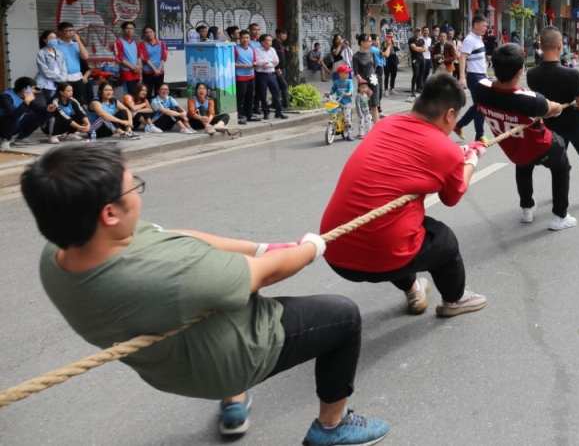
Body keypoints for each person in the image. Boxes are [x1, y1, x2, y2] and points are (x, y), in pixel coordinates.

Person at [25, 145, 389, 444]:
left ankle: (236, 399)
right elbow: (265, 273)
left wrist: (261, 246)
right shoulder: (169, 274)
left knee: (215, 296)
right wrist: (310, 248)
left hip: (170, 353)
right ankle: (331, 426)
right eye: (132, 187)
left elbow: (174, 236)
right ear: (109, 213)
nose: (137, 193)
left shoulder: (62, 251)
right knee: (342, 316)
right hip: (223, 361)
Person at [320, 73, 488, 317]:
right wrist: (471, 161)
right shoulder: (447, 151)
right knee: (444, 240)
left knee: (401, 224)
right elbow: (452, 197)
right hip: (383, 257)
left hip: (334, 249)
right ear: (449, 115)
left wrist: (455, 155)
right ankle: (456, 299)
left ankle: (413, 291)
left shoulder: (386, 124)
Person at [476, 44, 576, 230]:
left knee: (523, 164)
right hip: (541, 147)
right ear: (519, 72)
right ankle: (560, 216)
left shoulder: (481, 88)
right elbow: (555, 109)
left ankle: (527, 208)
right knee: (562, 167)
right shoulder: (530, 100)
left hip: (514, 148)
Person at [527, 27, 579, 204]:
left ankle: (559, 190)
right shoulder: (571, 74)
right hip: (576, 124)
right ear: (560, 45)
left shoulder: (531, 74)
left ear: (541, 45)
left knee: (559, 163)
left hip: (551, 125)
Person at [455, 14, 489, 142]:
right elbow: (463, 58)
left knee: (480, 105)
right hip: (474, 76)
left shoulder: (478, 38)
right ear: (476, 25)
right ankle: (479, 134)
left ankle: (459, 125)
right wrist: (462, 77)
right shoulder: (469, 39)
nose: (486, 28)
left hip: (481, 75)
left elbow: (479, 59)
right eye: (484, 25)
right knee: (481, 105)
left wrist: (485, 74)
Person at [1, 77, 56, 148]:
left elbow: (37, 107)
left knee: (45, 114)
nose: (34, 91)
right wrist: (26, 102)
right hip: (3, 126)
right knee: (12, 118)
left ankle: (21, 138)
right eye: (33, 88)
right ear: (25, 89)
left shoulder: (27, 96)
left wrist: (47, 109)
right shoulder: (5, 97)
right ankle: (5, 140)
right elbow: (14, 115)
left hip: (16, 124)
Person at [56, 22, 92, 105]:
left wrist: (79, 41)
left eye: (72, 30)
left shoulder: (75, 44)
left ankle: (79, 117)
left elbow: (85, 56)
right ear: (61, 32)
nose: (70, 32)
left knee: (78, 100)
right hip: (64, 77)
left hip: (77, 77)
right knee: (65, 100)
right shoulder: (56, 45)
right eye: (67, 31)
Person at [253, 34, 287, 121]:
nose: (270, 43)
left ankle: (278, 112)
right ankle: (266, 113)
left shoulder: (272, 50)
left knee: (276, 94)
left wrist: (268, 64)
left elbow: (276, 61)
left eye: (271, 41)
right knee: (263, 95)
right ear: (263, 42)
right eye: (268, 41)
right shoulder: (257, 50)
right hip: (262, 75)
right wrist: (270, 62)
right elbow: (258, 61)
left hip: (272, 74)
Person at [351, 34, 380, 125]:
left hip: (373, 81)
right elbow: (356, 73)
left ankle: (377, 127)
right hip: (363, 84)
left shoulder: (371, 53)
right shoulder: (356, 56)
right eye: (369, 41)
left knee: (374, 105)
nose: (371, 43)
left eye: (371, 41)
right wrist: (365, 87)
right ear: (362, 43)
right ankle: (363, 129)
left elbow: (374, 67)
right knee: (364, 107)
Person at [35, 30, 68, 103]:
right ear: (44, 40)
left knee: (61, 104)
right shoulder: (41, 53)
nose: (54, 40)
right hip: (48, 83)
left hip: (60, 83)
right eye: (51, 38)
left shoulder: (59, 52)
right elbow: (44, 71)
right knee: (51, 104)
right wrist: (60, 78)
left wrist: (64, 77)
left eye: (55, 38)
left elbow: (63, 67)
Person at [326, 65, 355, 142]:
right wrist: (329, 93)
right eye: (346, 73)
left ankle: (349, 133)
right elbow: (333, 89)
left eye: (348, 73)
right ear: (340, 74)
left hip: (346, 102)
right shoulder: (336, 82)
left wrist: (349, 93)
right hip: (338, 101)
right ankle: (334, 125)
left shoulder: (349, 81)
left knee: (347, 118)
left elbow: (351, 88)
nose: (348, 74)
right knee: (333, 113)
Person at [234, 30, 257, 124]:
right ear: (239, 38)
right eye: (243, 38)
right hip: (240, 77)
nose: (245, 40)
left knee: (250, 96)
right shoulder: (235, 49)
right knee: (240, 98)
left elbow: (255, 60)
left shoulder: (252, 49)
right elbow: (231, 63)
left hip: (251, 76)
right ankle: (239, 115)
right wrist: (244, 66)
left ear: (249, 38)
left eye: (247, 38)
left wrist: (255, 63)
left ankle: (249, 114)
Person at [140, 26, 168, 94]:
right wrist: (154, 69)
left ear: (154, 32)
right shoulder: (143, 44)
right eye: (146, 33)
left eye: (150, 32)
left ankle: (158, 105)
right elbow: (145, 58)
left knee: (159, 92)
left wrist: (158, 69)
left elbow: (164, 56)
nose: (148, 34)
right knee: (147, 92)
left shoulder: (162, 43)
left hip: (160, 71)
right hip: (147, 72)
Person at [272, 29, 291, 110]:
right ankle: (285, 104)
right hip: (278, 68)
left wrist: (286, 51)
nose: (285, 36)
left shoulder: (281, 43)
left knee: (279, 86)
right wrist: (277, 68)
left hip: (283, 68)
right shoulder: (275, 43)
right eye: (283, 34)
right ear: (278, 34)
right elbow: (274, 56)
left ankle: (274, 103)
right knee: (284, 85)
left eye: (286, 34)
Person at [408, 27, 428, 96]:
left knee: (421, 75)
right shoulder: (411, 40)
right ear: (414, 32)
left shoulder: (422, 40)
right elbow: (414, 48)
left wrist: (419, 48)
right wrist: (420, 48)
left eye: (419, 32)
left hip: (422, 59)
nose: (418, 33)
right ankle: (412, 90)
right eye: (416, 31)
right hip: (415, 59)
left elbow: (425, 49)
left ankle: (419, 88)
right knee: (415, 74)